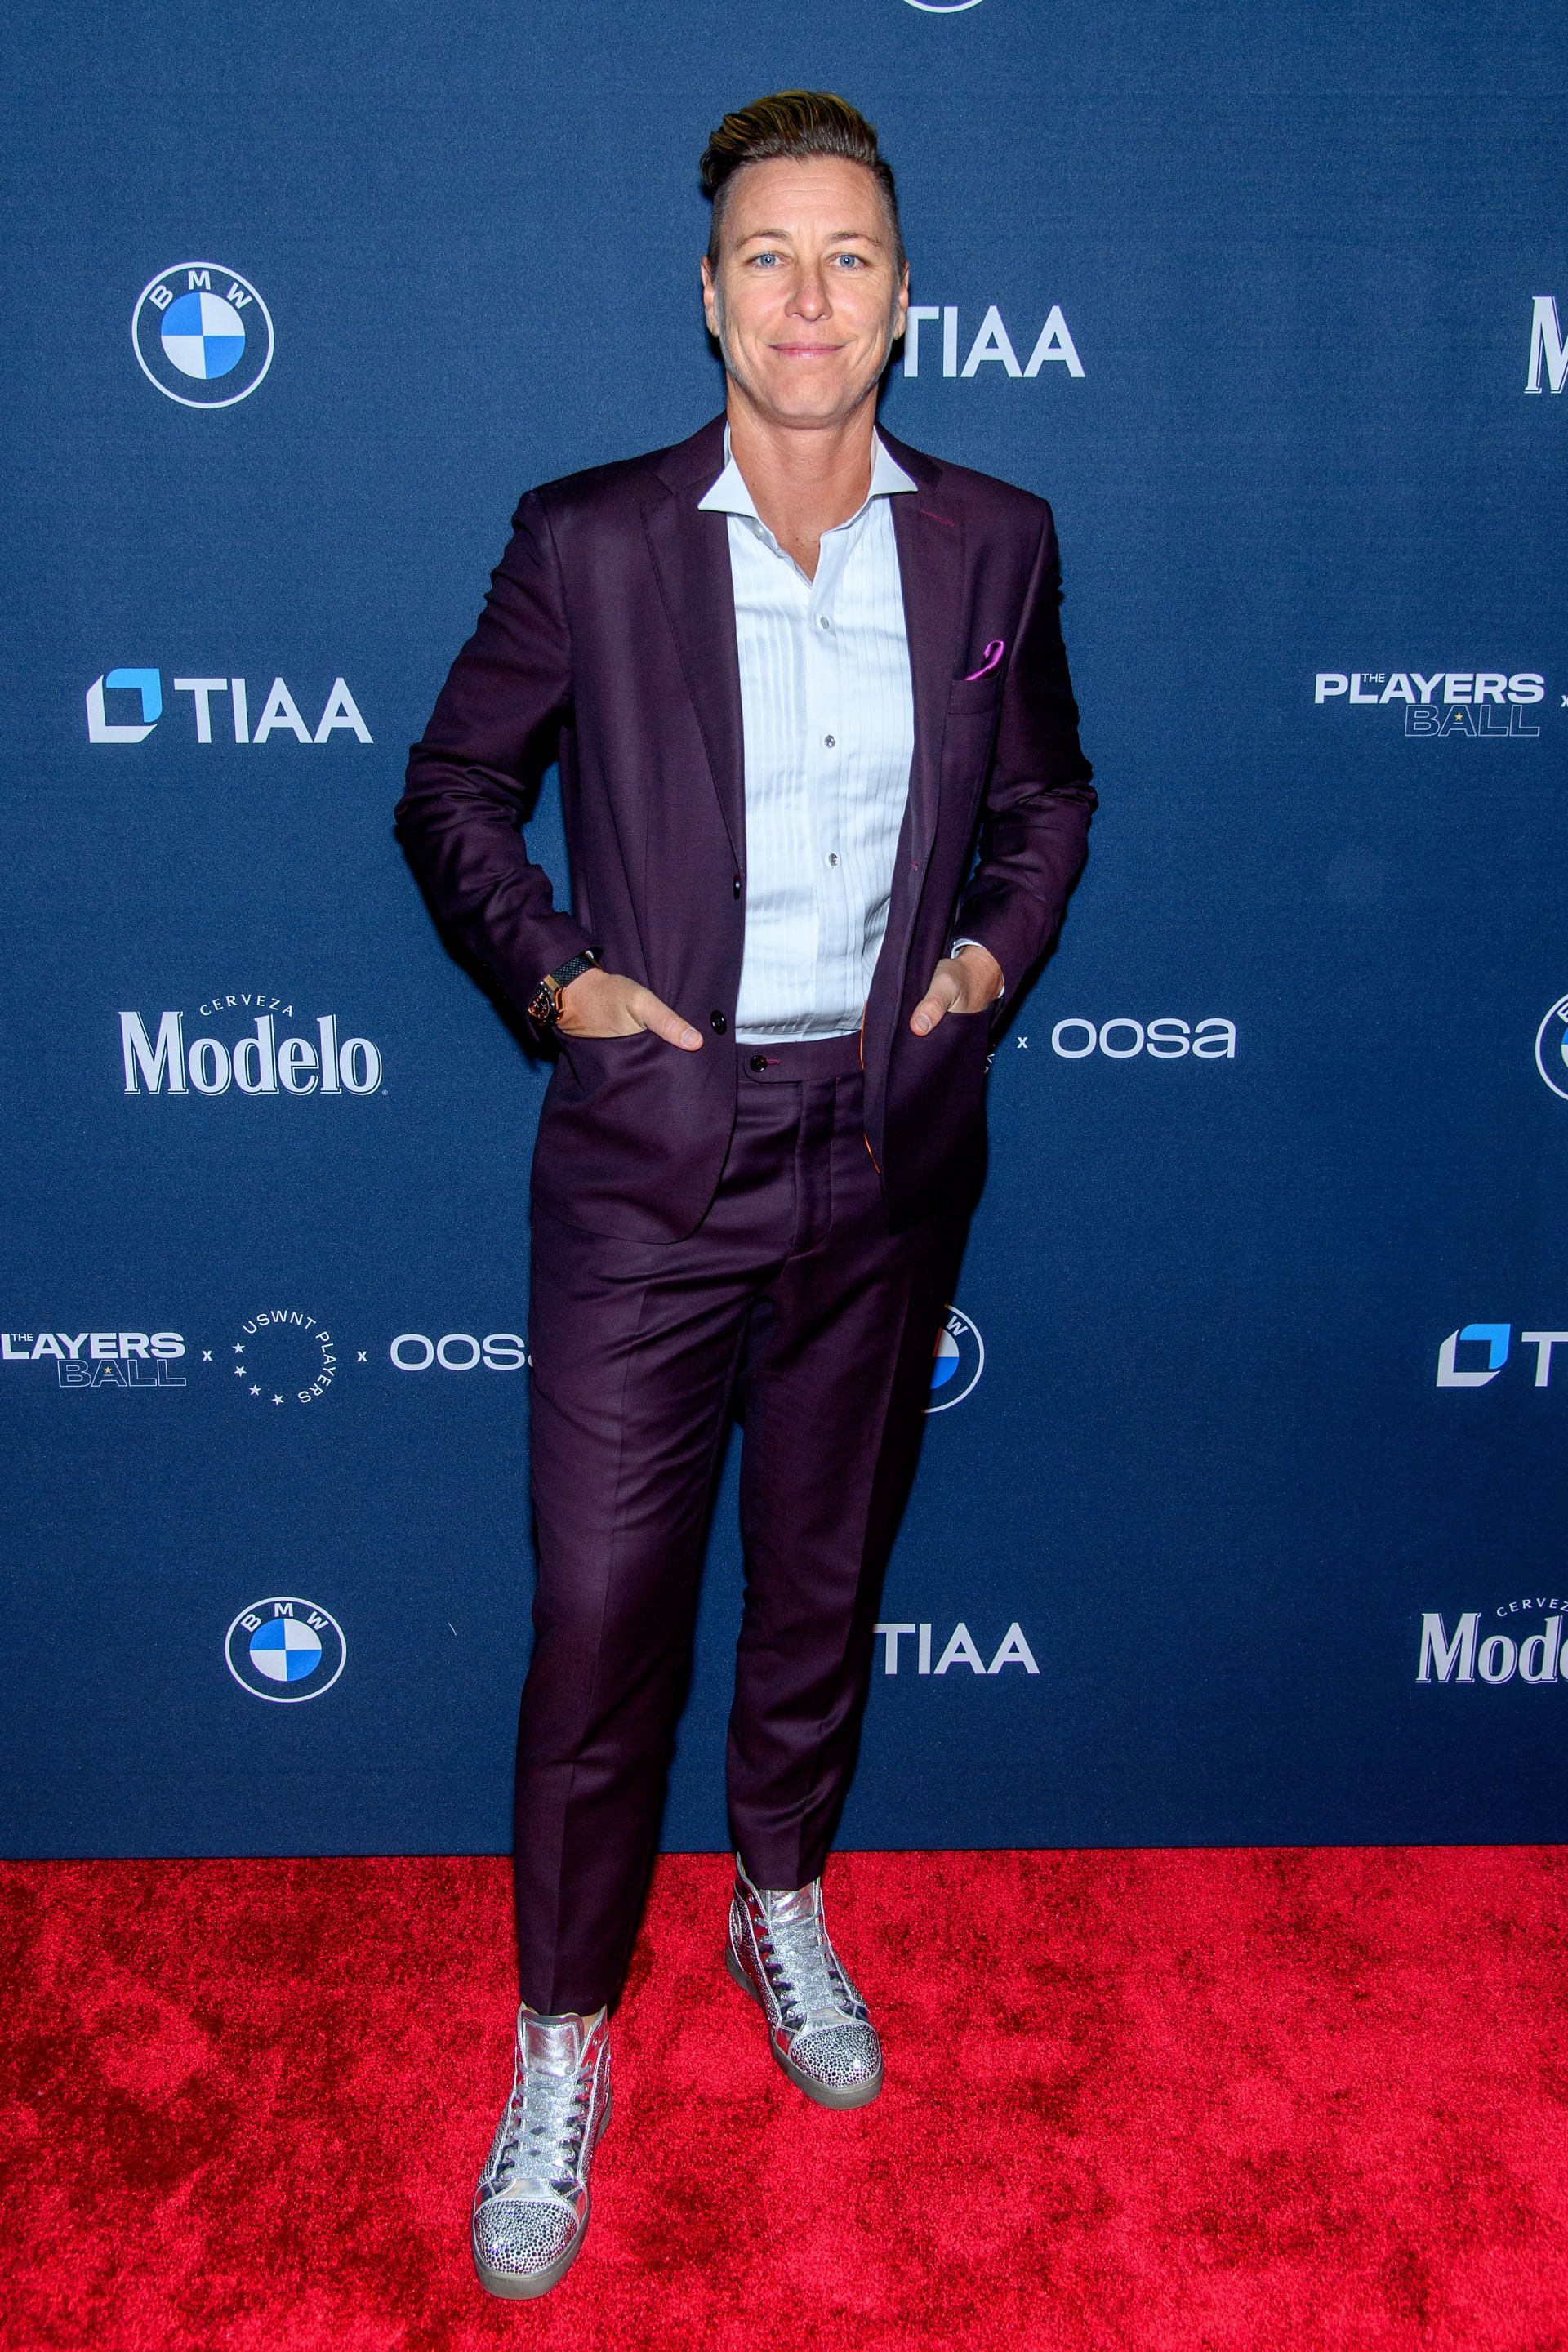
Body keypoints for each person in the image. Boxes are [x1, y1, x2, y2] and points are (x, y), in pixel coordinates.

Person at [396, 88, 1095, 2299]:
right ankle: (562, 2037)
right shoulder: (591, 539)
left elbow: (1053, 796)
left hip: (887, 1153)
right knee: (605, 1625)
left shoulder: (994, 542)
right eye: (769, 257)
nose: (811, 298)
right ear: (708, 296)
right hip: (649, 1174)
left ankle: (777, 1890)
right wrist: (562, 978)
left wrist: (985, 967)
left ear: (905, 300)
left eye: (852, 257)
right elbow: (450, 791)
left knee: (820, 1576)